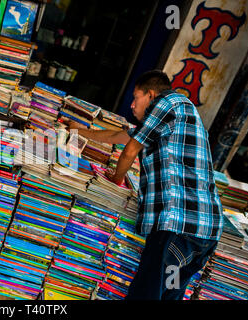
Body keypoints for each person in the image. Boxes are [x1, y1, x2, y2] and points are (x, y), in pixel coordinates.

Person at [68, 70, 223, 300]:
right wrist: (76, 131)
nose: (131, 105)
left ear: (151, 95)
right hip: (201, 235)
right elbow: (119, 137)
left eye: (135, 97)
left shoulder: (167, 102)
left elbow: (130, 150)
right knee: (168, 293)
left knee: (145, 294)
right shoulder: (175, 115)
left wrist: (116, 180)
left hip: (177, 229)